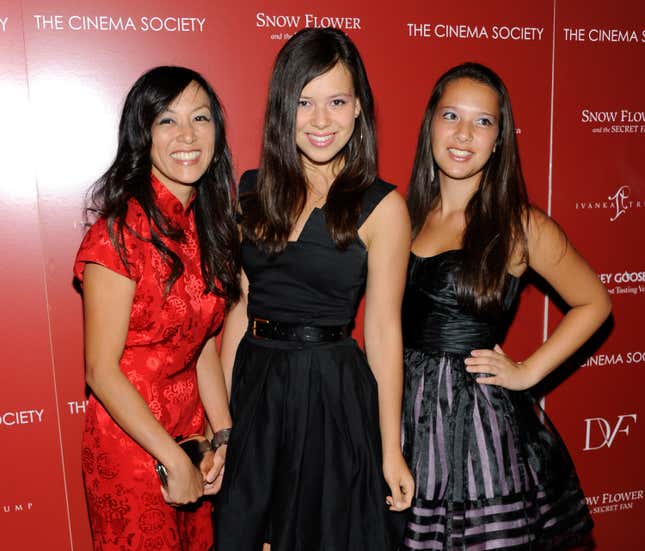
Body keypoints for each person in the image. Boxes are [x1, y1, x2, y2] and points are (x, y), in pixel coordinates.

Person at [214, 28, 414, 550]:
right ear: (284, 108)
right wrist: (229, 424)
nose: (321, 120)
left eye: (337, 101)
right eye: (304, 102)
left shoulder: (383, 208)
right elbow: (240, 310)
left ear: (358, 111)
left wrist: (390, 450)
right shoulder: (251, 191)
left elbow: (384, 331)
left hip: (332, 393)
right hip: (258, 386)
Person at [401, 62, 611, 550]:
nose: (463, 134)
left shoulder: (520, 224)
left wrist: (527, 371)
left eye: (483, 122)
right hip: (404, 415)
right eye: (451, 115)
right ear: (430, 122)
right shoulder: (404, 216)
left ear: (499, 140)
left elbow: (594, 302)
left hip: (475, 427)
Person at [73, 66, 240, 551]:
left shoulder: (207, 230)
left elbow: (202, 345)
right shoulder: (118, 233)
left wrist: (223, 436)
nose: (187, 135)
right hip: (132, 448)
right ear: (141, 134)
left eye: (201, 118)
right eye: (167, 120)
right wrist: (170, 458)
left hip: (191, 441)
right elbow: (101, 370)